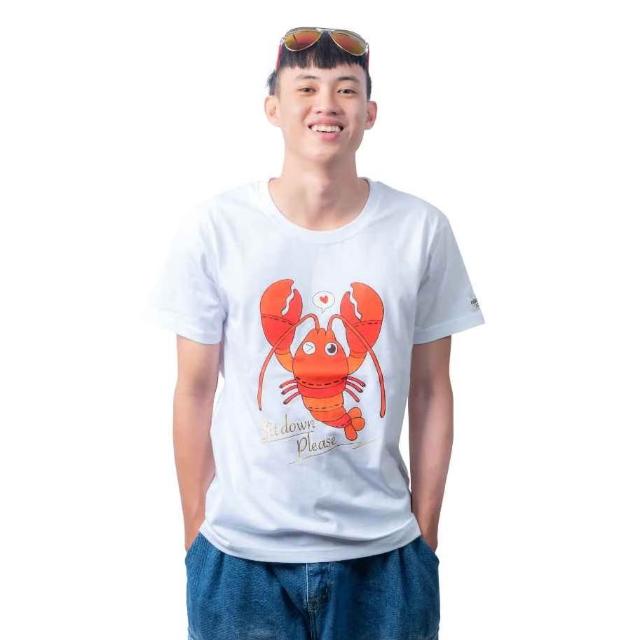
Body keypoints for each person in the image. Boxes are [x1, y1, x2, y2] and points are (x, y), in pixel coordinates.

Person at [148, 26, 485, 640]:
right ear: (273, 108)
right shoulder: (215, 229)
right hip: (238, 560)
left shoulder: (421, 229)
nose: (326, 104)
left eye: (346, 89)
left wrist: (425, 537)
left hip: (384, 557)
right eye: (306, 87)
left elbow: (433, 389)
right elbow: (193, 390)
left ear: (370, 113)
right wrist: (197, 535)